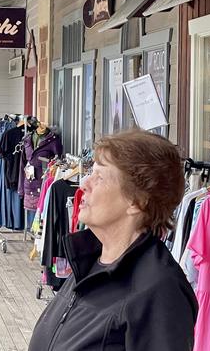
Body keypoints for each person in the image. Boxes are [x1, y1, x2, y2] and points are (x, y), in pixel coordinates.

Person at [28, 129, 198, 350]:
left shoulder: (158, 291)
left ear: (137, 202)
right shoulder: (89, 264)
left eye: (99, 177)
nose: (83, 184)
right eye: (91, 173)